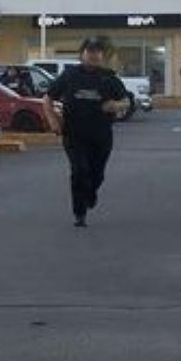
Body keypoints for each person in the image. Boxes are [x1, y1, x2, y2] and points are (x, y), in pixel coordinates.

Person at [43, 38, 129, 227]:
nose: (93, 55)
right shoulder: (70, 75)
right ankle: (79, 213)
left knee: (96, 174)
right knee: (79, 171)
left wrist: (116, 105)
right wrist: (53, 120)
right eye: (89, 52)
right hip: (74, 134)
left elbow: (126, 101)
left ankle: (91, 193)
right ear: (82, 55)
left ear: (101, 56)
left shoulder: (109, 77)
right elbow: (48, 98)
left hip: (101, 135)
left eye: (97, 52)